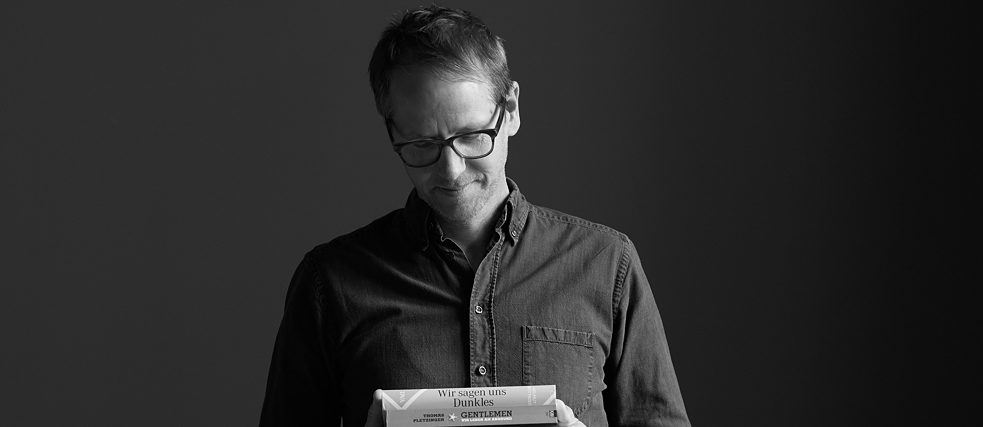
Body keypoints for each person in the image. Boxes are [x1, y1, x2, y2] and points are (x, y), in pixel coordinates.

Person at [259, 5, 689, 427]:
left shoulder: (606, 264)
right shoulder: (331, 281)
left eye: (470, 136)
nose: (450, 170)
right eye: (421, 144)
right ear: (392, 133)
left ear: (512, 110)